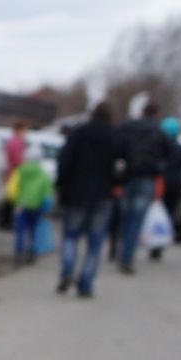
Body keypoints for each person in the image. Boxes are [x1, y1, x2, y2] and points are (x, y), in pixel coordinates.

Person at [55, 104, 122, 297]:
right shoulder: (114, 136)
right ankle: (85, 283)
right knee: (95, 243)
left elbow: (64, 160)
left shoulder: (78, 133)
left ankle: (67, 270)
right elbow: (120, 166)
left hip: (76, 193)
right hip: (103, 195)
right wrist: (116, 184)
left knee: (70, 236)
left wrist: (61, 185)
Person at [114, 100, 171, 274]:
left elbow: (116, 147)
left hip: (127, 177)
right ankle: (127, 257)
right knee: (136, 220)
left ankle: (119, 251)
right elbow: (168, 152)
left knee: (124, 216)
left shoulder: (128, 127)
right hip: (146, 178)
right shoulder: (159, 131)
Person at [150, 116, 181, 261]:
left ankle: (154, 241)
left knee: (156, 211)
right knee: (169, 212)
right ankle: (161, 242)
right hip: (175, 185)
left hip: (159, 183)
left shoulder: (156, 148)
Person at [11, 142, 52, 264]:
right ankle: (32, 253)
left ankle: (18, 253)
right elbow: (47, 193)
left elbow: (12, 188)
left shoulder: (20, 171)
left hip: (21, 205)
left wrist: (16, 200)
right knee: (33, 230)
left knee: (20, 231)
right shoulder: (43, 174)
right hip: (36, 205)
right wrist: (46, 207)